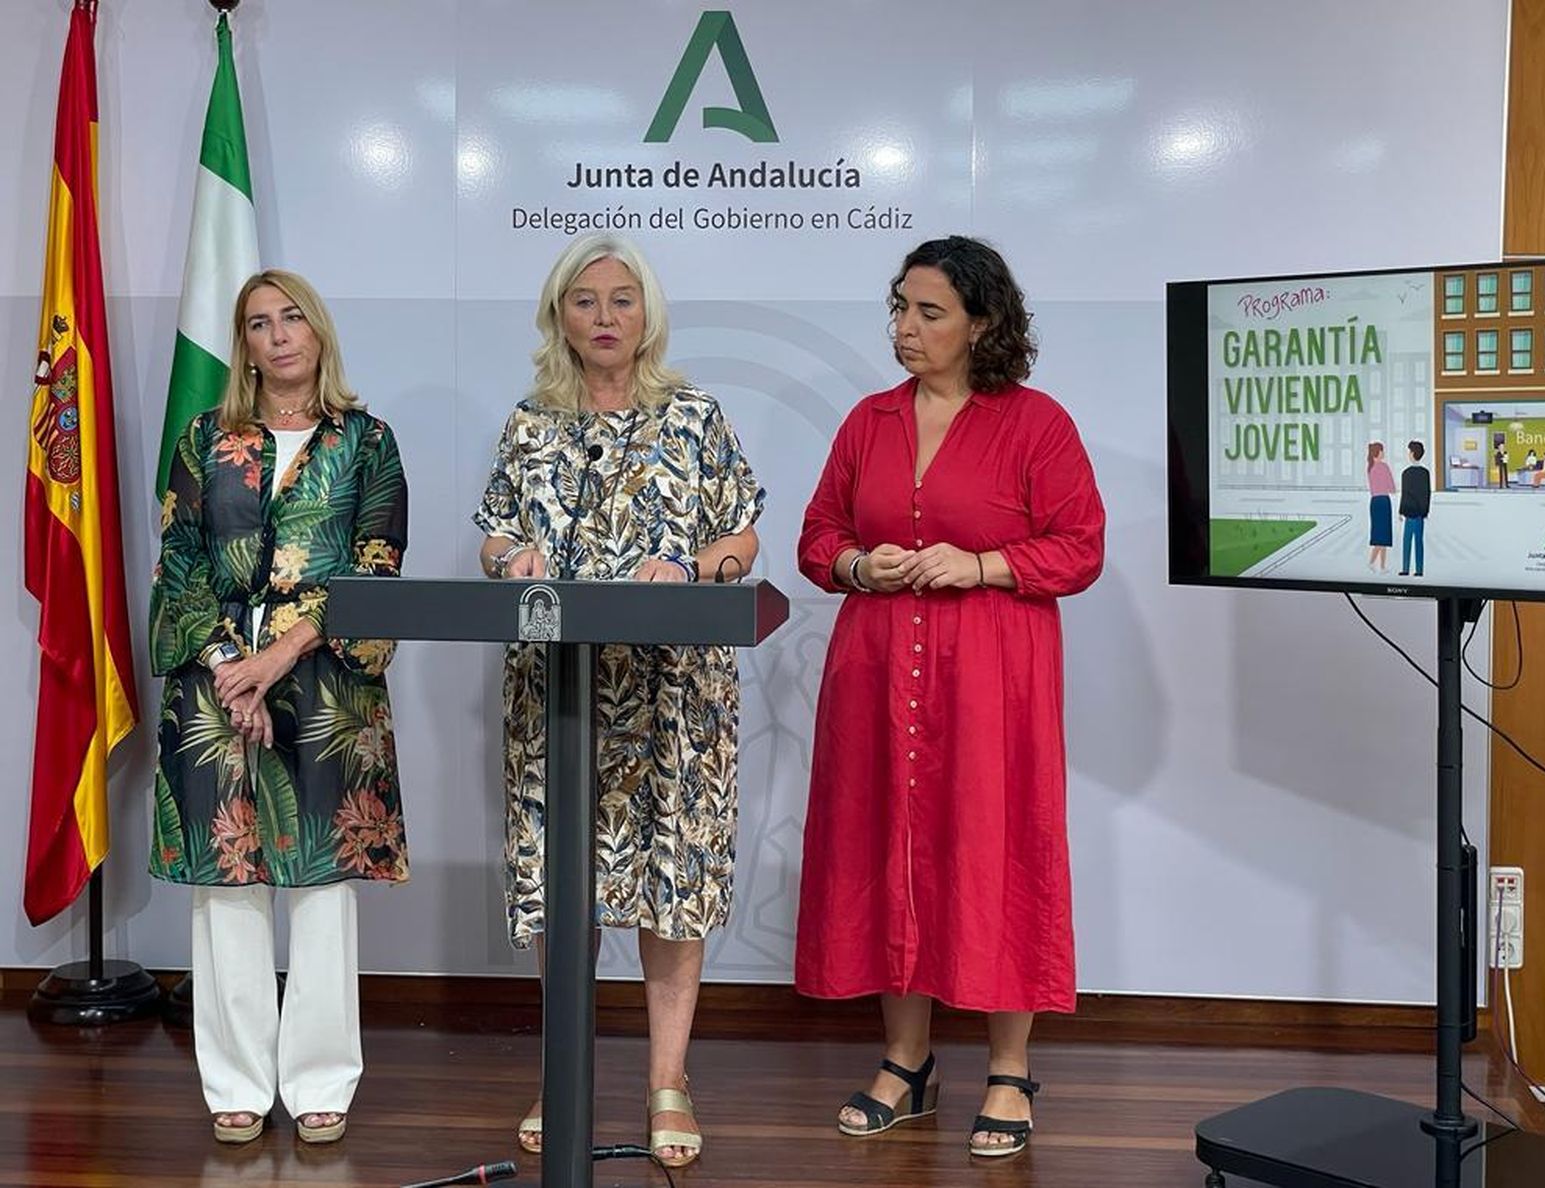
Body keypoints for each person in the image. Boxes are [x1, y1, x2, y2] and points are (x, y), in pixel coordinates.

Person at [795, 236, 1105, 1158]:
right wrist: (861, 563)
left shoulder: (1036, 424)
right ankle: (908, 1061)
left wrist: (983, 563)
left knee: (996, 847)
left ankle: (1009, 1070)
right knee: (891, 843)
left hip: (991, 681)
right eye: (900, 308)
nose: (906, 329)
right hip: (879, 669)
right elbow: (818, 537)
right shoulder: (868, 422)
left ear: (982, 323)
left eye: (929, 313)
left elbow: (1081, 547)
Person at [473, 233, 763, 1168]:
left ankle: (667, 1083)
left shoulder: (696, 415)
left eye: (621, 300)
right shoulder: (529, 423)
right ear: (559, 315)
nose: (604, 317)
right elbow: (493, 539)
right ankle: (565, 1075)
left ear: (648, 316)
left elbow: (745, 539)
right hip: (561, 696)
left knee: (670, 885)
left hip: (676, 693)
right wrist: (508, 559)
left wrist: (692, 562)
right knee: (568, 884)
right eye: (585, 300)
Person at [150, 269, 409, 1146]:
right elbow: (178, 563)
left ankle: (320, 1079)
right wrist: (234, 671)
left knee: (321, 887)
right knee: (228, 886)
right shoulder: (201, 439)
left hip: (327, 686)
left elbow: (375, 565)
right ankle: (236, 1080)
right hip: (213, 688)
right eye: (259, 324)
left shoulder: (368, 442)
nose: (279, 335)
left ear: (318, 330)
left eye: (292, 317)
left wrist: (277, 659)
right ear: (245, 346)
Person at [1398, 440, 1431, 577]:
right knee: (1419, 542)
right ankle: (1419, 570)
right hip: (1419, 514)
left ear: (1412, 453)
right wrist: (1425, 511)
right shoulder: (1425, 473)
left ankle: (1405, 569)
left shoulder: (1406, 473)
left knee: (1407, 541)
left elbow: (1404, 493)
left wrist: (1401, 511)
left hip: (1409, 512)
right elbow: (1427, 493)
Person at [1366, 442, 1395, 571]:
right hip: (1383, 501)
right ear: (1378, 453)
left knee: (1379, 535)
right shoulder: (1383, 467)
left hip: (1374, 502)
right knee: (1383, 536)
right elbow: (1392, 488)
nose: (1384, 453)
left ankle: (1382, 566)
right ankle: (1372, 562)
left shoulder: (1370, 468)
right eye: (1382, 451)